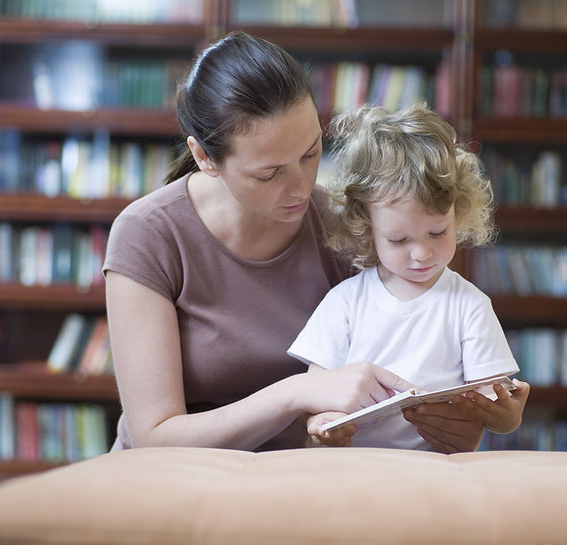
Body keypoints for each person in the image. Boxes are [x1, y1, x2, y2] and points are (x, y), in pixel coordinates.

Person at [103, 31, 488, 454]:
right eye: (269, 174)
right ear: (204, 157)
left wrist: (448, 427)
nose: (302, 188)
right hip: (173, 481)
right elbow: (154, 436)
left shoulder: (344, 223)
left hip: (302, 479)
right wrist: (297, 393)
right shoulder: (148, 234)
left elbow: (392, 376)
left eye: (310, 153)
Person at [287, 104, 530, 450]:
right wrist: (322, 424)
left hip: (437, 470)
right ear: (366, 227)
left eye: (437, 232)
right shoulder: (344, 302)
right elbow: (313, 399)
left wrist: (507, 414)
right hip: (357, 468)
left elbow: (500, 418)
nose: (421, 254)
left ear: (457, 214)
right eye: (399, 240)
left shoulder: (469, 306)